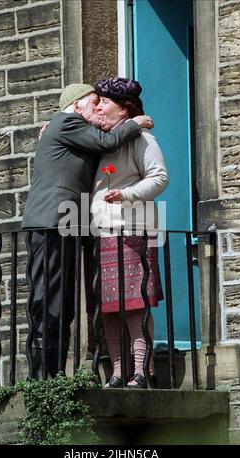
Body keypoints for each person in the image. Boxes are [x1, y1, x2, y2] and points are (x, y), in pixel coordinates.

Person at [21, 82, 154, 380]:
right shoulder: (67, 122)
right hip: (50, 222)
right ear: (77, 105)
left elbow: (101, 146)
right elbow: (106, 143)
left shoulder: (72, 131)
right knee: (48, 300)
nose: (98, 107)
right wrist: (133, 124)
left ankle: (52, 376)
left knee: (62, 304)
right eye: (95, 102)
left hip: (65, 225)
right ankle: (42, 379)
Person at [90, 77, 169, 388]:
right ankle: (118, 372)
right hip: (103, 231)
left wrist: (127, 194)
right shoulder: (101, 140)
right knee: (109, 309)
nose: (98, 107)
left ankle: (141, 370)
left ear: (123, 110)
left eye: (104, 102)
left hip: (133, 229)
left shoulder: (143, 140)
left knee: (135, 304)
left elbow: (160, 177)